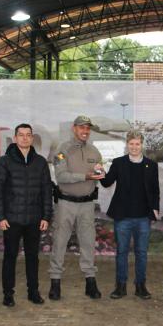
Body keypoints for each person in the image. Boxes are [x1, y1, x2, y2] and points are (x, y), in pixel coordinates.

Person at [0, 123, 53, 307]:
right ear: (15, 138)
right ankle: (8, 294)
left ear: (32, 138)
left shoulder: (41, 162)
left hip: (34, 219)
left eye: (28, 135)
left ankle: (33, 292)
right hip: (11, 220)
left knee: (32, 258)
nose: (25, 138)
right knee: (10, 257)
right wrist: (0, 217)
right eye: (21, 135)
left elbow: (46, 191)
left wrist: (46, 216)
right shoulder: (4, 162)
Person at [49, 115, 104, 300]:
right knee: (59, 242)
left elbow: (98, 174)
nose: (85, 131)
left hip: (87, 204)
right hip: (66, 203)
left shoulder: (95, 152)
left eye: (88, 128)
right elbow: (61, 176)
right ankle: (55, 282)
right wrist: (85, 176)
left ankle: (90, 282)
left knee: (88, 243)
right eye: (82, 128)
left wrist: (100, 174)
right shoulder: (62, 150)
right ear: (74, 128)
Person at [99, 131, 160, 299]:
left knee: (141, 252)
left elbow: (155, 190)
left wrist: (155, 208)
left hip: (143, 218)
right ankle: (120, 287)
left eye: (137, 144)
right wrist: (101, 172)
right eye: (131, 144)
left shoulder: (151, 165)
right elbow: (107, 182)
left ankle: (141, 286)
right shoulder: (119, 163)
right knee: (122, 252)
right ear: (127, 145)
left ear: (142, 145)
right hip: (123, 216)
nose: (134, 147)